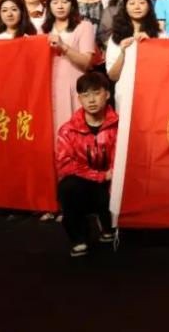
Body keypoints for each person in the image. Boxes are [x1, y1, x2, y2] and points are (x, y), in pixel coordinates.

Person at [55, 71, 118, 257]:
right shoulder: (67, 130)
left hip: (111, 183)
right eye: (85, 95)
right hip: (84, 183)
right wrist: (99, 176)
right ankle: (79, 237)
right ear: (79, 99)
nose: (91, 100)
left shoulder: (120, 126)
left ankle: (108, 223)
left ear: (107, 94)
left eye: (96, 93)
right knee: (67, 186)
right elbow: (65, 165)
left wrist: (112, 176)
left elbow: (121, 159)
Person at [44, 0, 97, 132]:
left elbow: (86, 62)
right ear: (49, 5)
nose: (60, 6)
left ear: (72, 4)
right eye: (55, 2)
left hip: (74, 86)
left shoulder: (84, 26)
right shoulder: (43, 29)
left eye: (64, 1)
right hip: (48, 88)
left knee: (73, 132)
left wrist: (64, 47)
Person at [106, 0, 160, 81]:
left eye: (142, 3)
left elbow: (166, 69)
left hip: (153, 87)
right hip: (125, 89)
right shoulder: (115, 36)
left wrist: (150, 45)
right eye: (132, 3)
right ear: (125, 8)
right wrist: (123, 52)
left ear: (149, 7)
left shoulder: (161, 34)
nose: (137, 7)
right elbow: (112, 76)